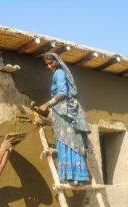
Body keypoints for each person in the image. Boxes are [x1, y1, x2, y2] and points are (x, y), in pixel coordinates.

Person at [39, 52, 91, 185]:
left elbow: (62, 92)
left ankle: (71, 175)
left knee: (65, 140)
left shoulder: (59, 73)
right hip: (65, 110)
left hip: (63, 111)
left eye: (51, 63)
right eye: (47, 64)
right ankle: (75, 176)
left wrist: (47, 104)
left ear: (57, 61)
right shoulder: (60, 73)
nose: (49, 66)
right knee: (71, 141)